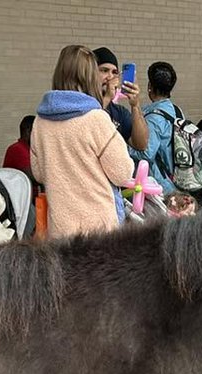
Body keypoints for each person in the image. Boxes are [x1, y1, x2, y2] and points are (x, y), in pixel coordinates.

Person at [31, 44, 133, 237]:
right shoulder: (96, 119)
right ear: (90, 77)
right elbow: (122, 173)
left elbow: (39, 173)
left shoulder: (39, 122)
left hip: (60, 230)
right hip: (99, 232)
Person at [129, 61, 178, 195]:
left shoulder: (154, 118)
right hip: (176, 178)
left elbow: (146, 153)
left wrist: (125, 143)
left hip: (159, 184)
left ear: (150, 86)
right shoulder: (176, 111)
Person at [93, 47, 148, 153]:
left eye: (114, 72)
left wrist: (135, 105)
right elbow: (90, 127)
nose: (110, 77)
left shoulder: (119, 112)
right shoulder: (83, 105)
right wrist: (107, 98)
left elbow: (141, 144)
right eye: (104, 70)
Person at [2, 114, 33, 180]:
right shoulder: (17, 149)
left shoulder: (29, 149)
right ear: (28, 132)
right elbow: (34, 177)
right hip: (22, 190)